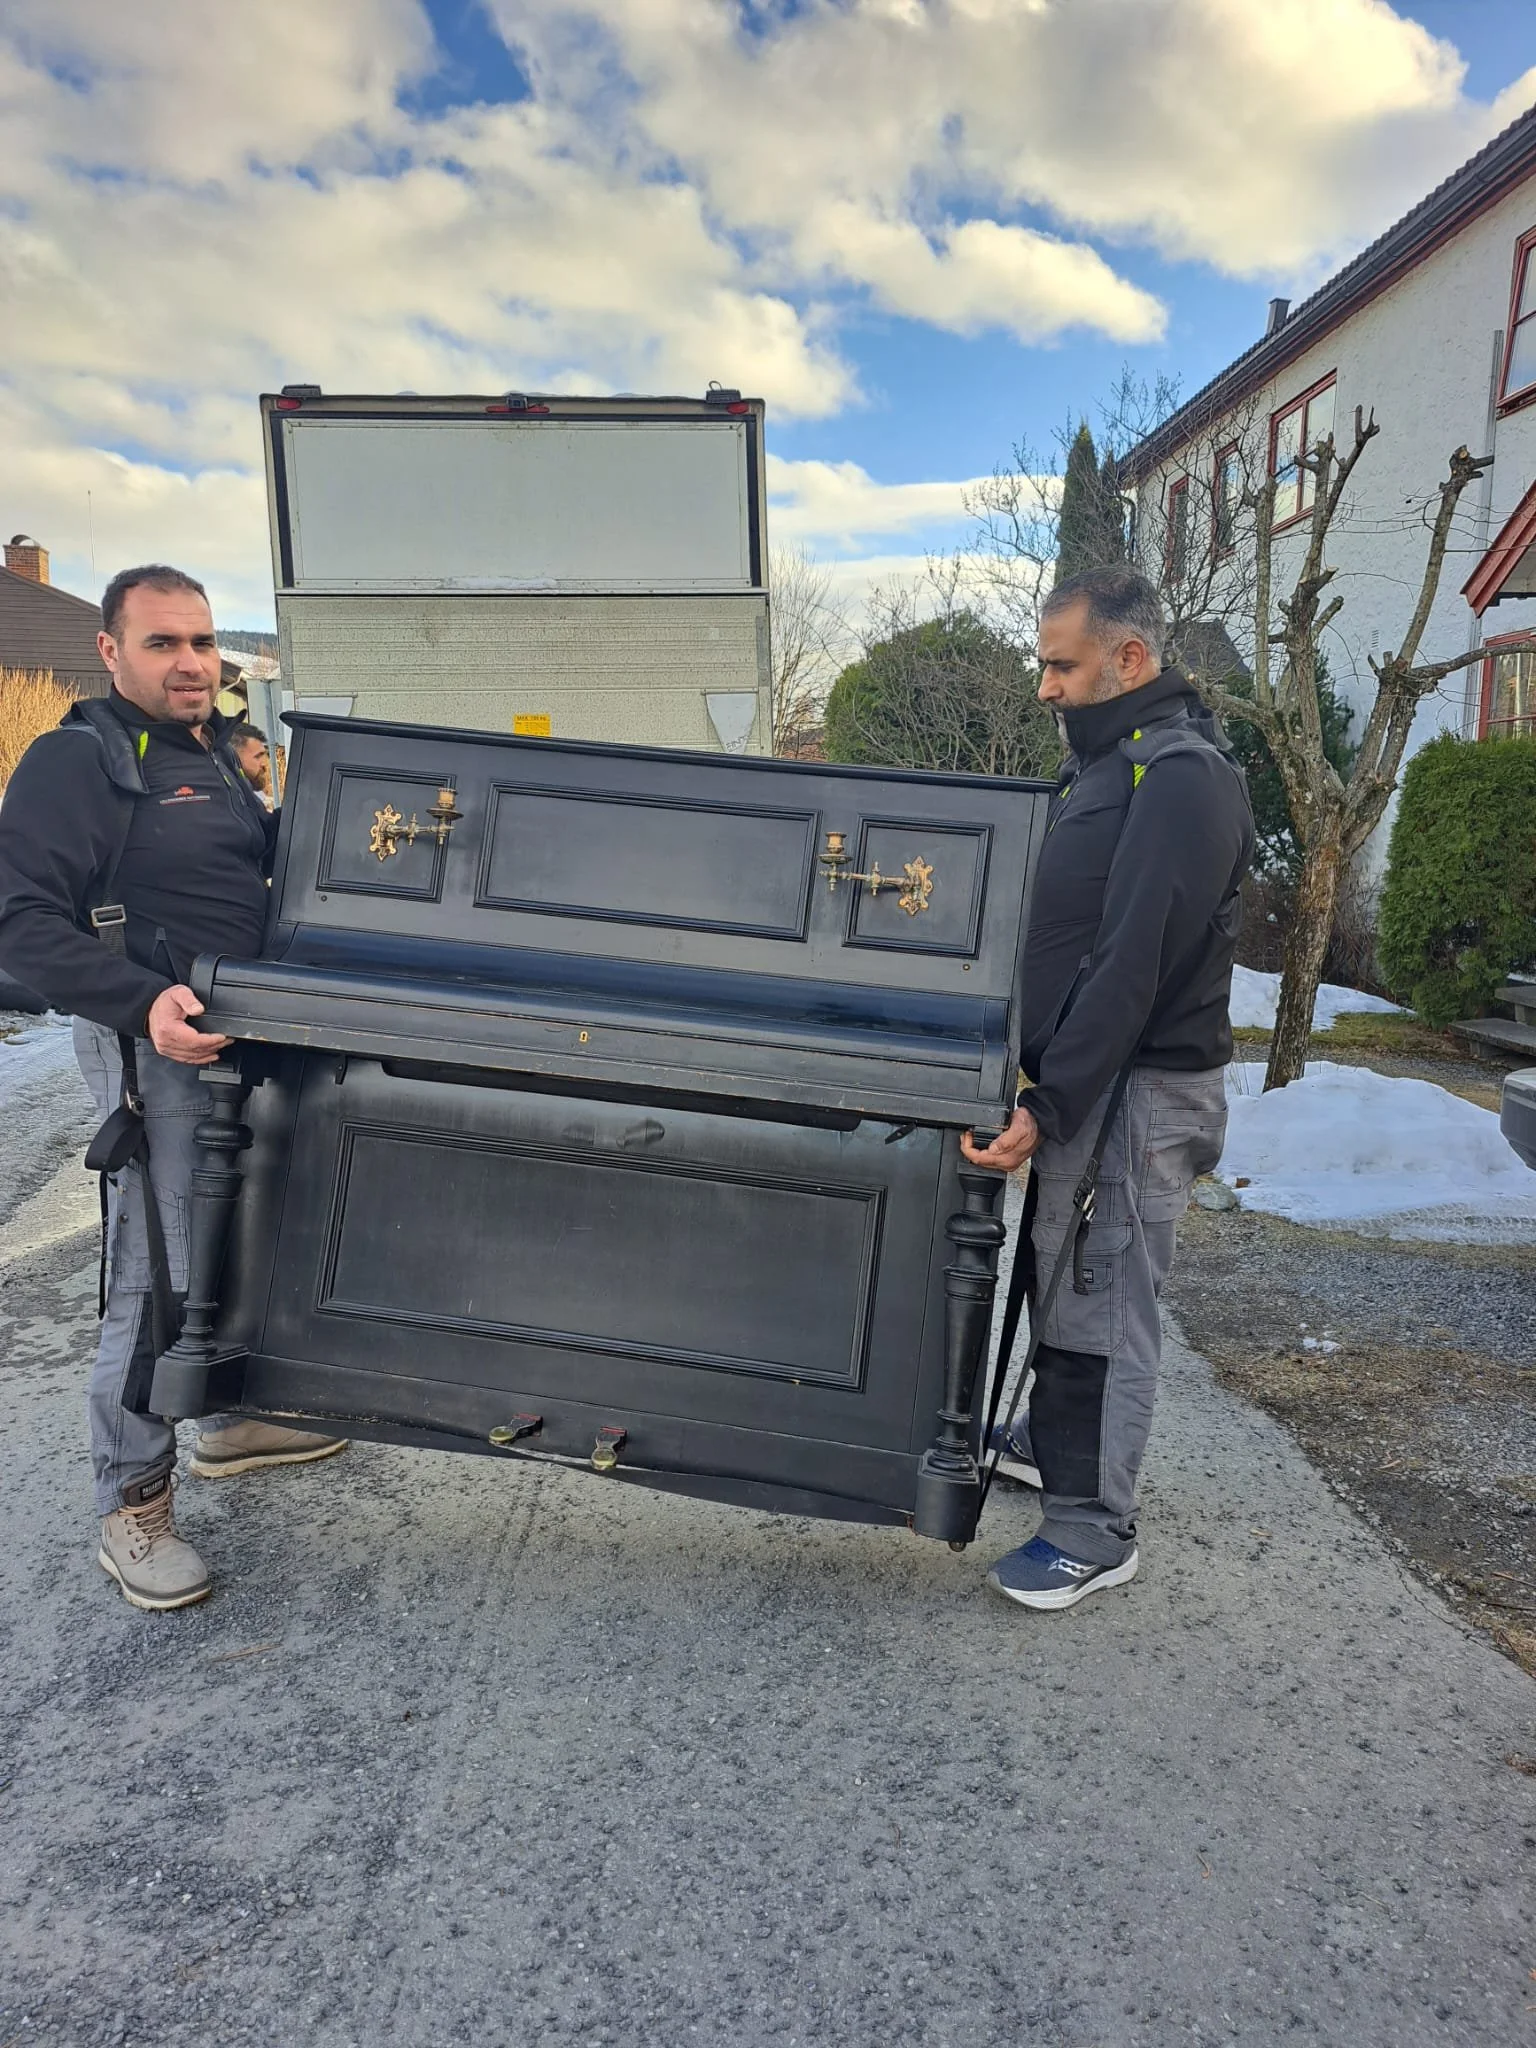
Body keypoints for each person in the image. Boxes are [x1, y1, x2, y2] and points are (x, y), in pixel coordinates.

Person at [0, 565, 346, 1612]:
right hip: (158, 1050)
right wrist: (142, 999)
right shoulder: (79, 759)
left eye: (202, 642)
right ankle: (132, 1502)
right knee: (157, 1270)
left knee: (242, 1241)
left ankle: (227, 1417)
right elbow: (19, 920)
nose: (191, 661)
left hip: (241, 1037)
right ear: (112, 651)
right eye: (163, 643)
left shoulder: (210, 753)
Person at [963, 566, 1253, 1612]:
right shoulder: (1108, 767)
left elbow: (1135, 960)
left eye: (1061, 663)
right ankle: (1052, 1443)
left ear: (1130, 658)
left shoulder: (1181, 776)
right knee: (1063, 1273)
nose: (1044, 685)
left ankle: (1095, 1527)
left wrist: (1052, 1103)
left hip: (1137, 1092)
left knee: (1104, 1296)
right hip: (1094, 1082)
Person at [227, 720, 274, 807]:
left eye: (264, 755)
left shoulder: (252, 798)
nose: (264, 764)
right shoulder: (229, 804)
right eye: (257, 756)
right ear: (235, 758)